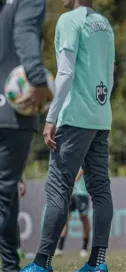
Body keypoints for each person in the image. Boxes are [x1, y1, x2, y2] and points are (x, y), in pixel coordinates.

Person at [21, 0, 115, 271]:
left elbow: (65, 71)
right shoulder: (105, 24)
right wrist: (101, 107)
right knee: (100, 190)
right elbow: (110, 73)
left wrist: (51, 116)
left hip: (74, 118)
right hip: (101, 116)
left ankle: (42, 263)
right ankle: (97, 264)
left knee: (58, 189)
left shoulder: (69, 20)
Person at [0, 0, 53, 271]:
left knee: (6, 197)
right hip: (12, 114)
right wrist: (37, 78)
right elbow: (24, 33)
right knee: (3, 195)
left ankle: (10, 266)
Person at [55, 168, 91, 258]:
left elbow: (83, 168)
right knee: (65, 218)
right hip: (70, 193)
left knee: (84, 218)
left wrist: (73, 181)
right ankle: (60, 248)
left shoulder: (83, 154)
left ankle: (84, 248)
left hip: (82, 193)